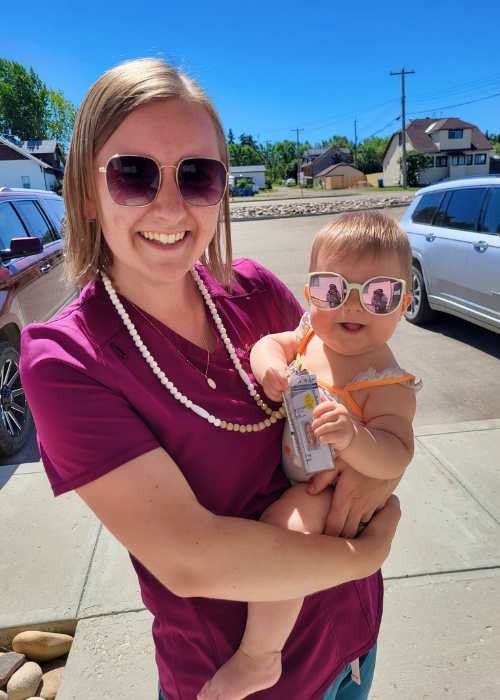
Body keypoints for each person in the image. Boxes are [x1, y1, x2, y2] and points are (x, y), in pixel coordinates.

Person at [20, 59, 401, 700]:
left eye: (197, 175)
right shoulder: (67, 361)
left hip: (351, 643)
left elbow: (364, 386)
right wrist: (366, 552)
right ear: (86, 192)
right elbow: (191, 557)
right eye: (133, 174)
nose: (170, 205)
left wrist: (380, 465)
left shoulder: (253, 289)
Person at [201, 211, 421, 700]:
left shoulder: (385, 382)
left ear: (403, 303)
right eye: (332, 290)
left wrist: (353, 438)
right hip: (303, 469)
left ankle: (259, 656)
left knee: (285, 533)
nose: (354, 306)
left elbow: (396, 456)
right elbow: (267, 343)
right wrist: (270, 368)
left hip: (329, 488)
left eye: (379, 294)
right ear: (308, 296)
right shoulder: (309, 336)